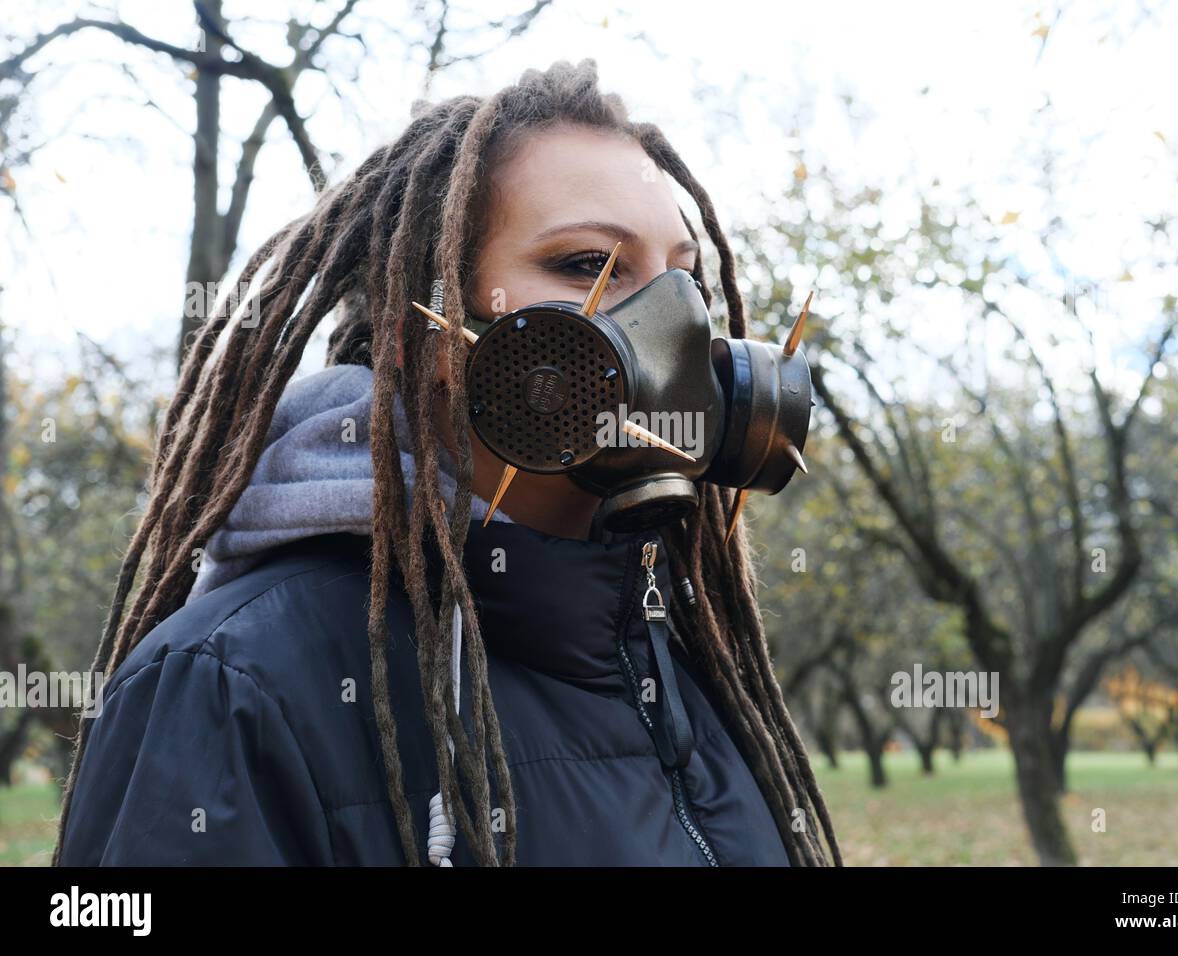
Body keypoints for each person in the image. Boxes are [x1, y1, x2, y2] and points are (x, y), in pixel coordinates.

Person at [55, 58, 840, 867]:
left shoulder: (674, 654)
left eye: (685, 277)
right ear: (423, 336)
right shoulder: (227, 684)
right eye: (585, 265)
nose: (677, 325)